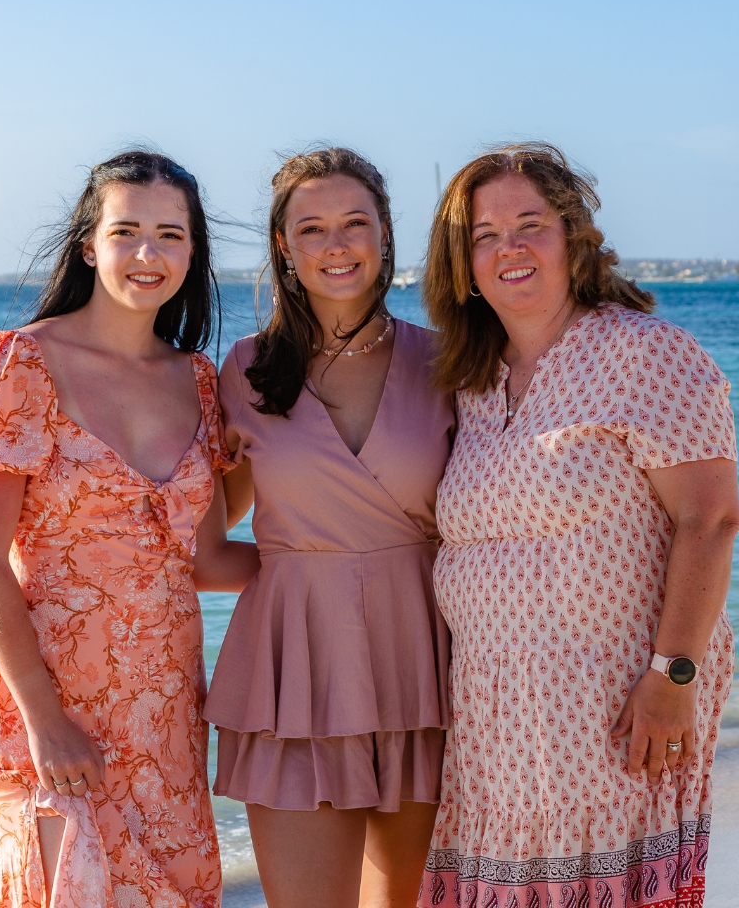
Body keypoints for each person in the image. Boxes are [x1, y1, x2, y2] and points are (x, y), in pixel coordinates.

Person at [418, 143, 739, 908]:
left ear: (574, 237)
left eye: (531, 225)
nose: (511, 249)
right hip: (495, 719)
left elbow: (712, 519)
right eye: (485, 236)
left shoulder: (645, 354)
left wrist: (673, 677)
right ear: (463, 263)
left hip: (619, 706)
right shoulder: (470, 379)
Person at [0, 151, 258, 908]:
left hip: (166, 719)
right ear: (91, 245)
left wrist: (346, 559)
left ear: (193, 252)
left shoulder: (198, 382)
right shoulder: (19, 363)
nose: (148, 254)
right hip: (45, 712)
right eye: (127, 231)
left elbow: (199, 556)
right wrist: (46, 722)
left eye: (170, 236)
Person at [203, 147, 455, 908]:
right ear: (284, 247)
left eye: (354, 222)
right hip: (293, 671)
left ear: (384, 233)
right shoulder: (246, 370)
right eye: (311, 228)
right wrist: (293, 571)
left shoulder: (448, 362)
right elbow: (205, 532)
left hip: (424, 663)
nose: (335, 244)